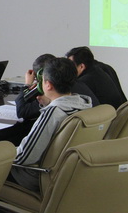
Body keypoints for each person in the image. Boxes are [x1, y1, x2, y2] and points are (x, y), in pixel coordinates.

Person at [10, 57, 92, 191]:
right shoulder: (84, 103)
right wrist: (48, 104)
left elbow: (23, 157)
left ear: (48, 85)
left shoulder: (53, 113)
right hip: (66, 174)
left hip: (33, 176)